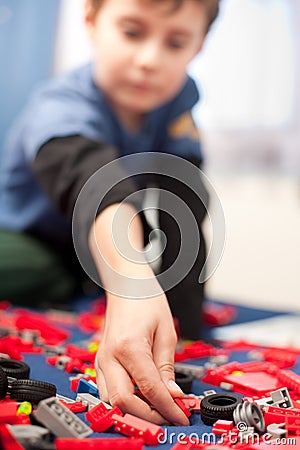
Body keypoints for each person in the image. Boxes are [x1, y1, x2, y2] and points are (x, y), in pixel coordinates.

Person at [0, 0, 219, 425]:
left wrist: (187, 322)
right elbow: (95, 183)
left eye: (175, 43)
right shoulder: (60, 104)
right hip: (31, 238)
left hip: (104, 253)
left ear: (198, 46)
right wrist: (132, 280)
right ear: (91, 21)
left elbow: (185, 205)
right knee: (31, 266)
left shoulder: (179, 101)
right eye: (132, 33)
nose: (149, 61)